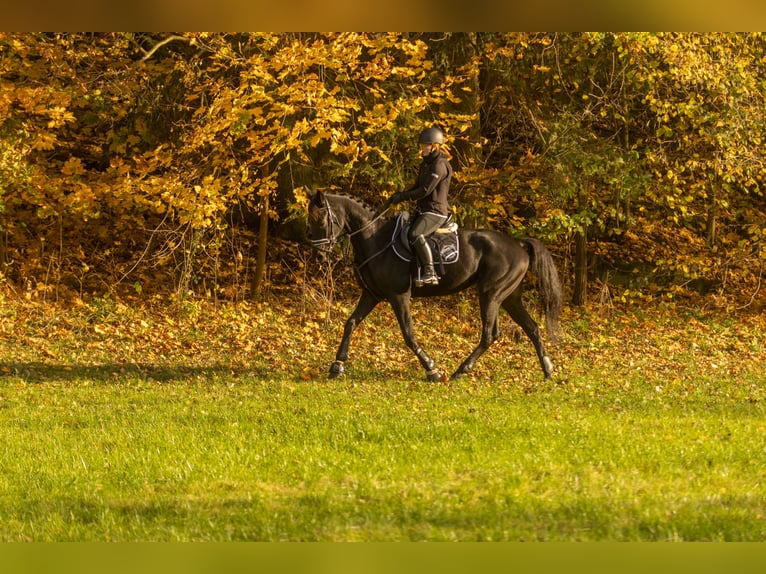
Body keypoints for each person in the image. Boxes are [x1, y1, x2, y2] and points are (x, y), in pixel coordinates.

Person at [390, 127, 453, 286]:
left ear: (435, 146)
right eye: (422, 145)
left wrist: (404, 196)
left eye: (425, 145)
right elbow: (416, 187)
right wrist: (400, 195)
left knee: (415, 234)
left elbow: (425, 190)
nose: (422, 148)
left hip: (436, 211)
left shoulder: (439, 165)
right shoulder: (425, 165)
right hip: (424, 210)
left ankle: (430, 272)